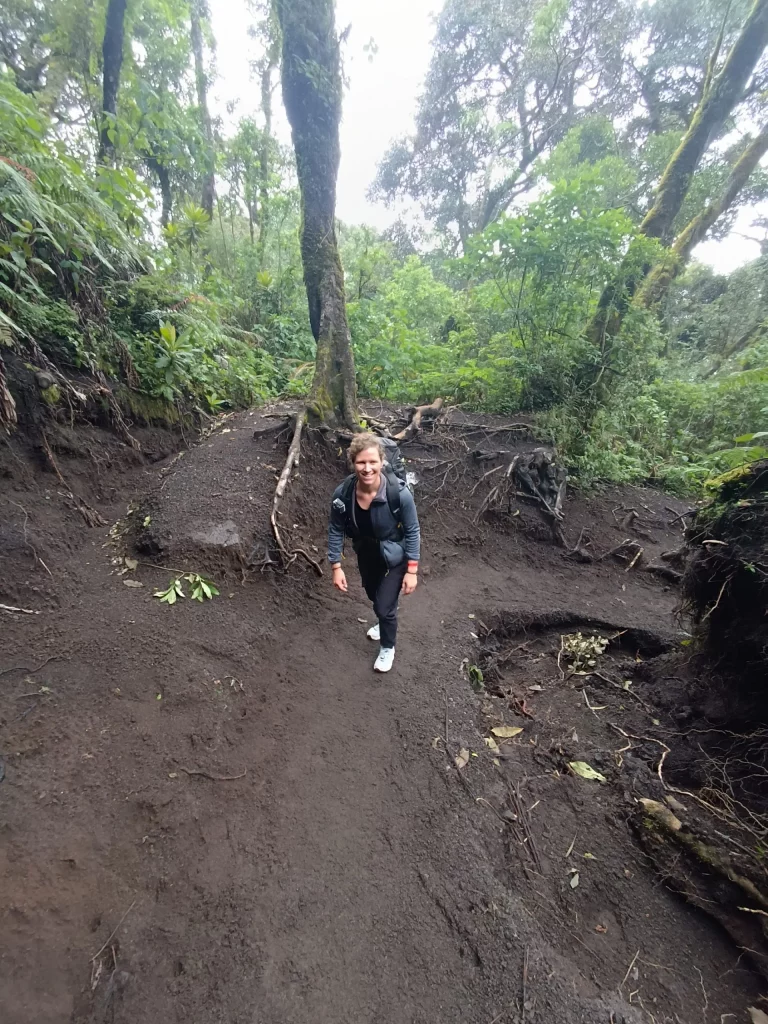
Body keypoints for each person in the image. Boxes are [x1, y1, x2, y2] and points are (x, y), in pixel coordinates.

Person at [327, 432, 421, 673]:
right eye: (361, 462)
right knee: (372, 594)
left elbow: (412, 531)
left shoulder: (398, 494)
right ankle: (384, 615)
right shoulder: (343, 494)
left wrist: (412, 570)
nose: (367, 468)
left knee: (383, 606)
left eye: (372, 462)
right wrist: (336, 566)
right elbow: (336, 528)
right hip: (366, 553)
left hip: (395, 556)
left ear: (381, 462)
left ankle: (388, 647)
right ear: (353, 463)